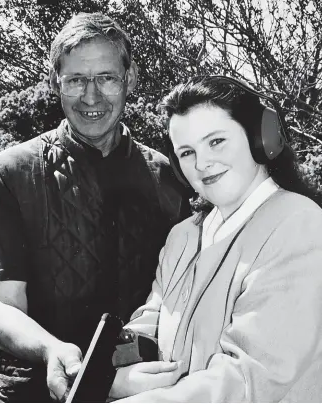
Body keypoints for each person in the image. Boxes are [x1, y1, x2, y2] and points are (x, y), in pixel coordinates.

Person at [0, 13, 190, 403]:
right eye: (76, 80)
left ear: (129, 80)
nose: (91, 97)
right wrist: (50, 350)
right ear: (54, 82)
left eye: (107, 78)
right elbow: (2, 308)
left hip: (144, 391)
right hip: (35, 392)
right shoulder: (10, 173)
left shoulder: (166, 174)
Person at [108, 76, 322, 402]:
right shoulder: (184, 234)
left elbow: (247, 378)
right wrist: (112, 368)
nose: (202, 163)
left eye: (216, 141)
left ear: (259, 138)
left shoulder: (300, 225)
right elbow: (154, 316)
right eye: (187, 152)